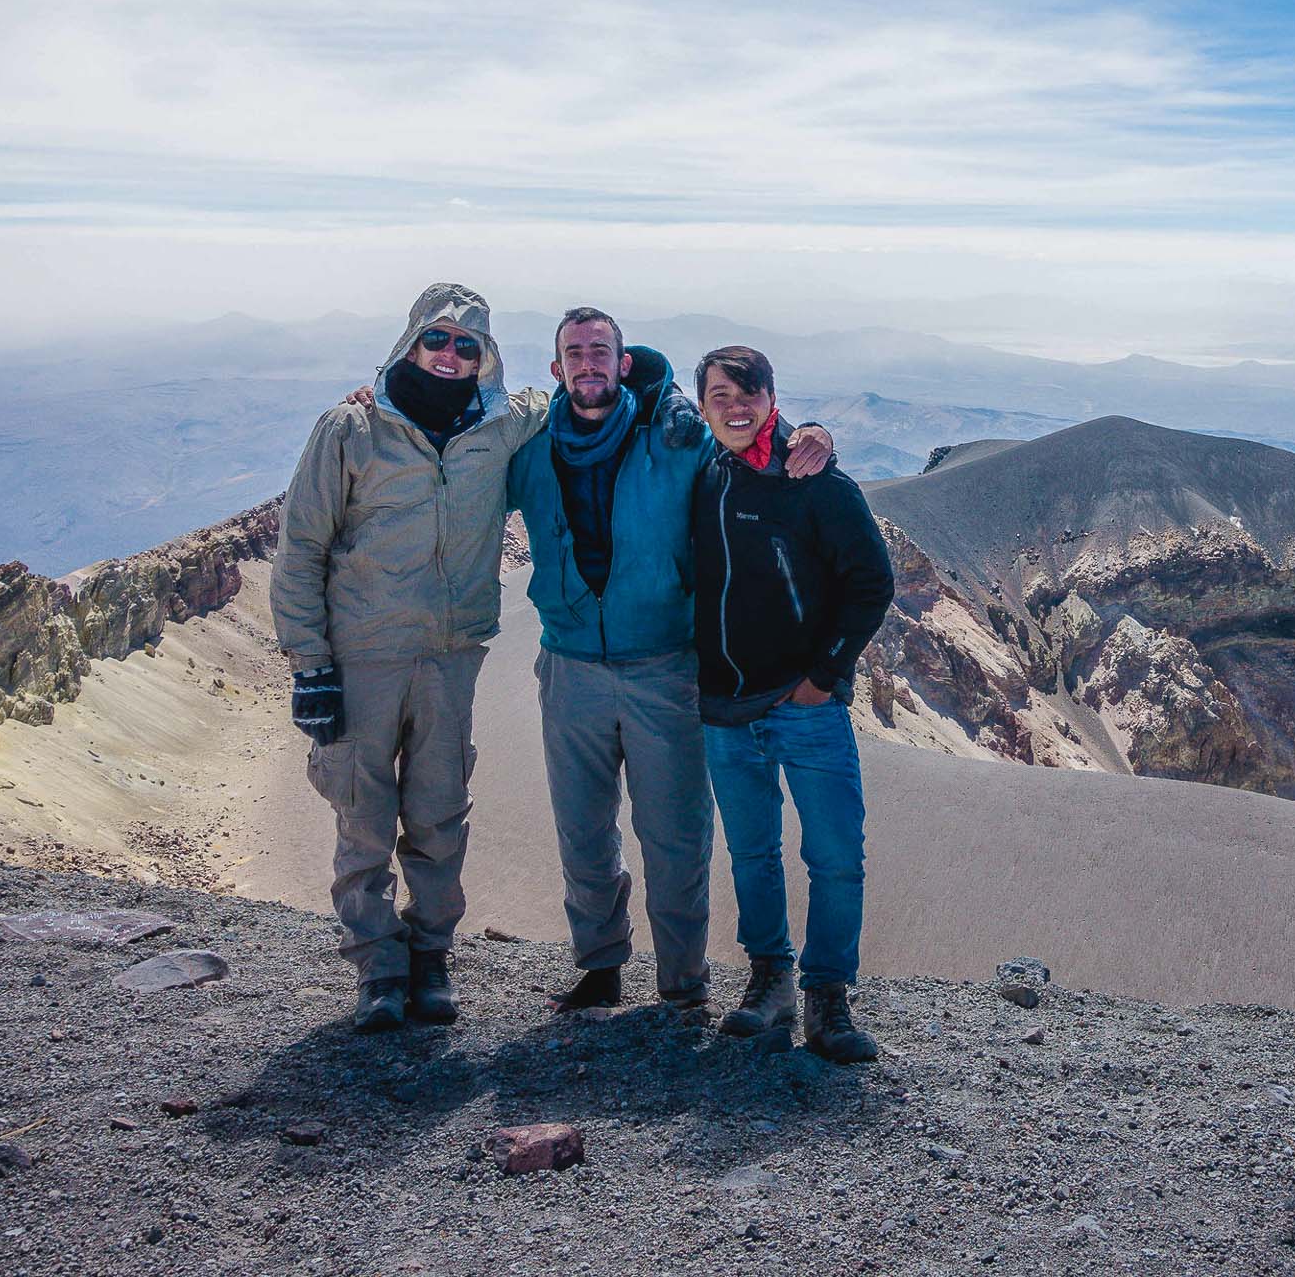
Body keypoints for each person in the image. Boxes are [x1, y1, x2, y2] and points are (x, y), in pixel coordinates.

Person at [505, 309, 833, 1015]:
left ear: (625, 364)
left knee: (676, 836)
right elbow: (448, 458)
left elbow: (745, 438)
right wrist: (373, 402)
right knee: (583, 831)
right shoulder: (528, 454)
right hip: (568, 668)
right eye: (574, 353)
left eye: (601, 351)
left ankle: (682, 983)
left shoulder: (673, 440)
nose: (587, 363)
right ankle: (600, 966)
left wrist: (811, 436)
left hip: (664, 667)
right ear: (556, 369)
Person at [271, 284, 548, 1033]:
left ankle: (431, 956)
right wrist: (310, 666)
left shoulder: (500, 423)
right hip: (364, 652)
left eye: (468, 345)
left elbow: (567, 394)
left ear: (484, 356)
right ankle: (378, 967)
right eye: (438, 339)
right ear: (410, 341)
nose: (451, 356)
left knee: (438, 812)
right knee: (362, 815)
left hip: (451, 654)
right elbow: (300, 548)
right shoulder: (352, 428)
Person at [689, 344, 893, 1062]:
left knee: (836, 856)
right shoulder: (703, 476)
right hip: (723, 707)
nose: (735, 406)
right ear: (703, 405)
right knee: (751, 854)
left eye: (748, 392)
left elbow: (872, 582)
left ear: (772, 397)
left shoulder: (816, 481)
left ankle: (828, 997)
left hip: (805, 707)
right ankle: (769, 981)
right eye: (720, 395)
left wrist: (823, 678)